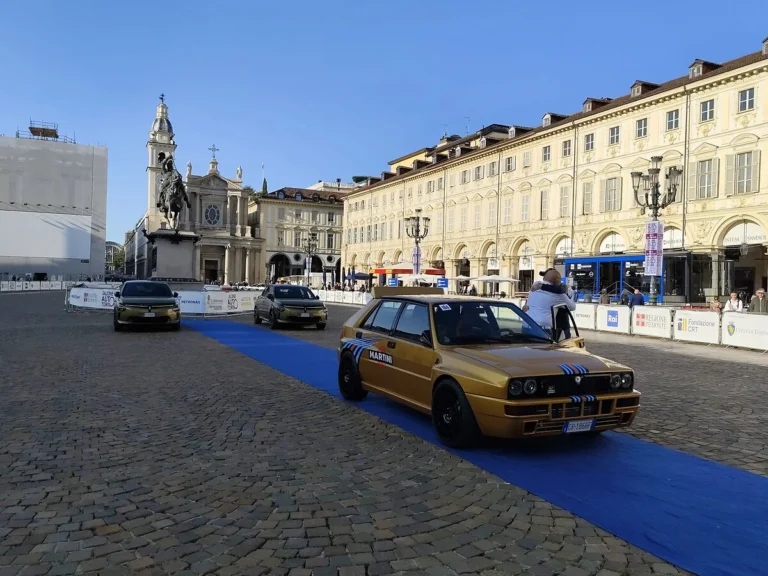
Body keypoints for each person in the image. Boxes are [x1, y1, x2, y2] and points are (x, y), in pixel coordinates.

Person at [524, 268, 576, 339]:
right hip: (543, 328)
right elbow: (572, 307)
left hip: (526, 325)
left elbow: (562, 288)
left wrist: (542, 286)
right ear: (557, 281)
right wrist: (572, 298)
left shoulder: (536, 285)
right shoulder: (559, 294)